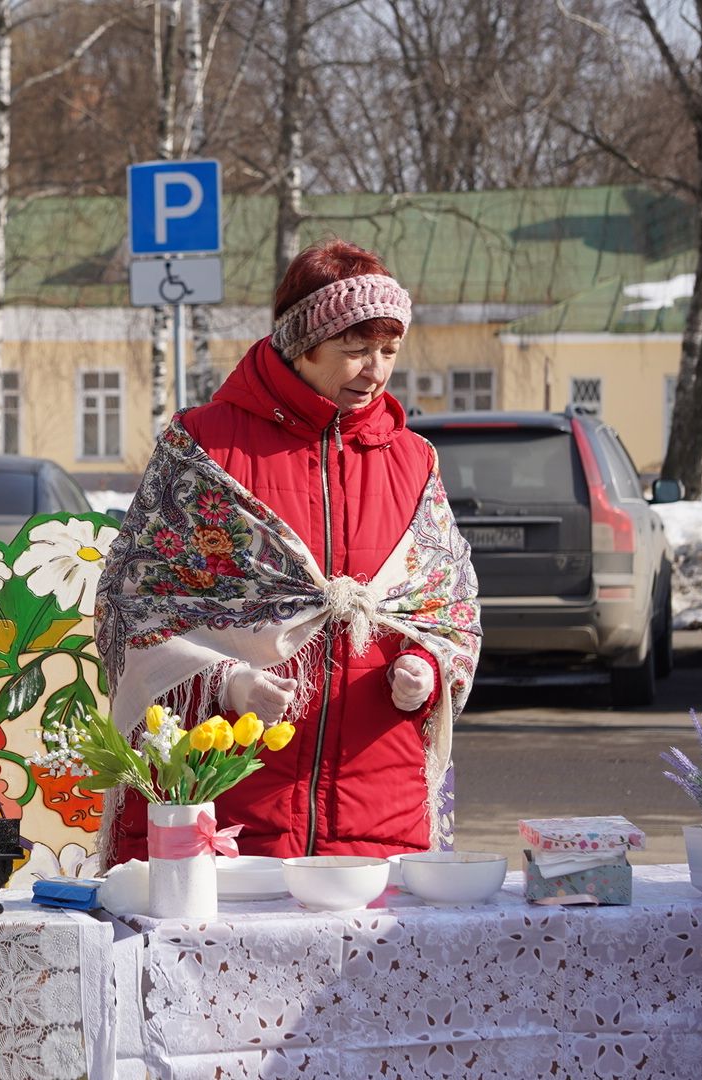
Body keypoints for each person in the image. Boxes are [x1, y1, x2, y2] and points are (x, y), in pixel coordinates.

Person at [95, 239, 482, 863]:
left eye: (388, 351)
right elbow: (134, 606)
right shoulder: (203, 448)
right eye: (354, 351)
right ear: (303, 345)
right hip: (224, 794)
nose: (375, 372)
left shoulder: (413, 460)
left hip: (375, 802)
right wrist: (227, 681)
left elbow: (448, 607)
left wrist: (428, 668)